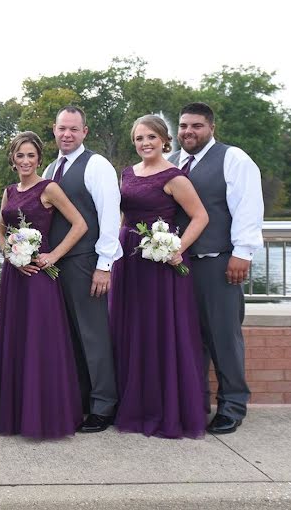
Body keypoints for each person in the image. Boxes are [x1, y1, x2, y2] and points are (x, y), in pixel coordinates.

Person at [109, 115, 209, 438]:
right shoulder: (126, 173)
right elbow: (123, 216)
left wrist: (177, 248)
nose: (145, 143)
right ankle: (133, 403)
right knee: (131, 328)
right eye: (139, 138)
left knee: (157, 331)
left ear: (165, 140)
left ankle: (162, 407)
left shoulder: (174, 176)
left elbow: (200, 216)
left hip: (158, 263)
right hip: (129, 258)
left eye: (151, 137)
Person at [169, 102, 264, 435]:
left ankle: (233, 406)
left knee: (223, 336)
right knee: (188, 339)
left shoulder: (233, 159)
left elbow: (248, 208)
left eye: (196, 126)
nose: (188, 132)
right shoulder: (171, 163)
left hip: (218, 261)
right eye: (183, 126)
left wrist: (243, 253)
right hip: (177, 267)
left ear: (211, 127)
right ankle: (196, 403)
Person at [0, 131, 88, 439]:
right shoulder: (9, 191)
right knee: (16, 339)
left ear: (39, 159)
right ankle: (16, 413)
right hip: (14, 275)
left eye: (31, 155)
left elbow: (80, 224)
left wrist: (53, 256)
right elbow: (0, 231)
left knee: (40, 341)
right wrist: (9, 252)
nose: (25, 161)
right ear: (12, 159)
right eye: (20, 155)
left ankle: (45, 413)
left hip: (39, 277)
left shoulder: (50, 188)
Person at [43, 106, 122, 433]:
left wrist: (104, 265)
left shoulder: (97, 165)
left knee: (93, 334)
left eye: (74, 129)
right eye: (62, 128)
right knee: (69, 335)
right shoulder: (50, 168)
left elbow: (108, 216)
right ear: (54, 129)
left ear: (84, 132)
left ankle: (104, 405)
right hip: (56, 265)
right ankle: (79, 400)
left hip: (86, 261)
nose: (67, 134)